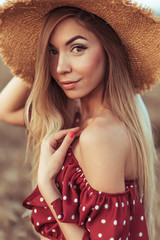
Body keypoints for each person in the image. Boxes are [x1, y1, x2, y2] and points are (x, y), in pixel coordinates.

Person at [0, 1, 160, 240]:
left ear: (109, 50)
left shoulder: (100, 135)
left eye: (77, 48)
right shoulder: (79, 114)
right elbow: (5, 109)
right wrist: (37, 58)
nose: (60, 68)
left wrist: (47, 185)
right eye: (52, 51)